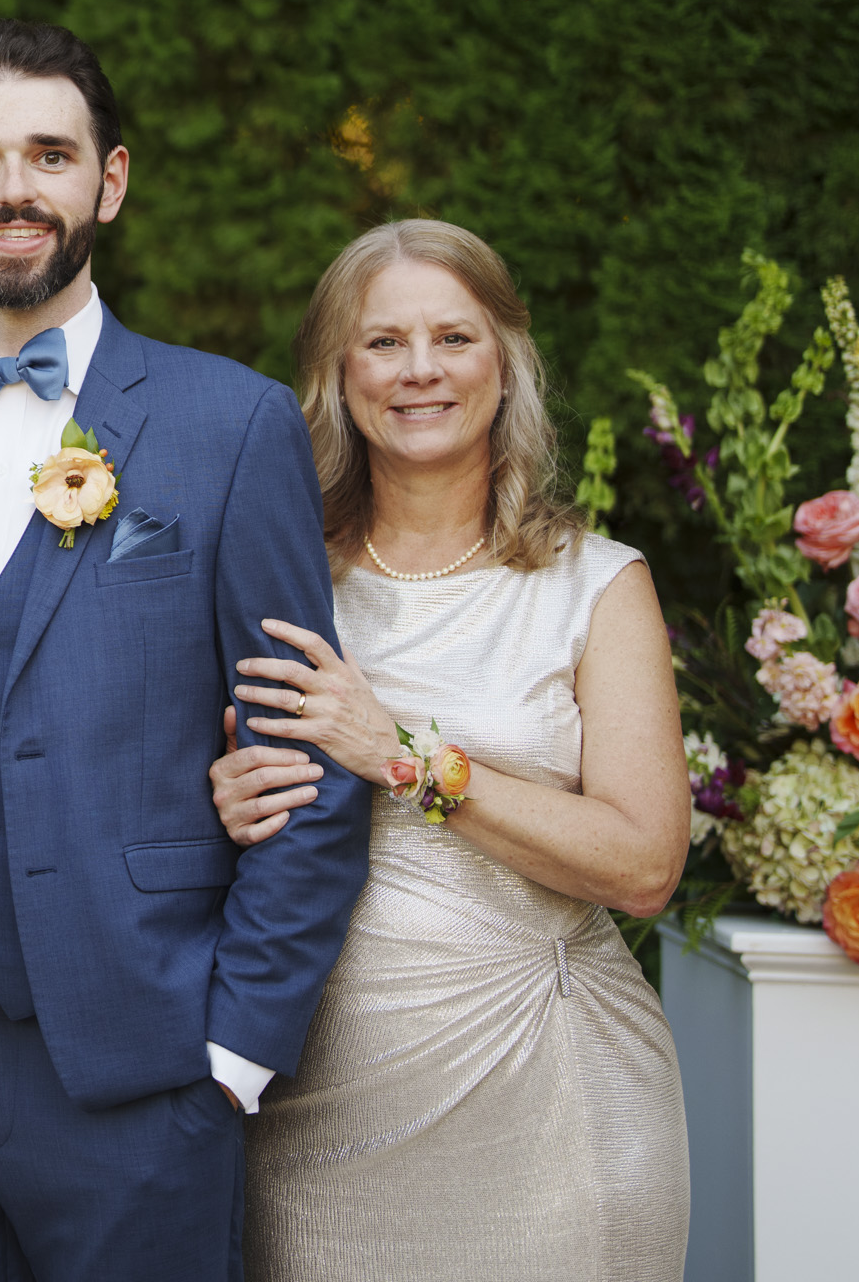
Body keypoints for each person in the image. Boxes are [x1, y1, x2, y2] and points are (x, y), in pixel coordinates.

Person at [0, 19, 370, 1281]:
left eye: (51, 154)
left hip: (148, 1065)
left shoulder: (232, 422)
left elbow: (310, 750)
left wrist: (234, 1050)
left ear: (108, 180)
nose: (15, 188)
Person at [206, 218, 691, 1280]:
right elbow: (207, 838)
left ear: (506, 363)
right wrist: (227, 801)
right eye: (382, 342)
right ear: (337, 374)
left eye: (453, 338)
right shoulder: (276, 581)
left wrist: (405, 756)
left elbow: (648, 864)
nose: (419, 370)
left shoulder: (597, 584)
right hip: (317, 1090)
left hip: (552, 1085)